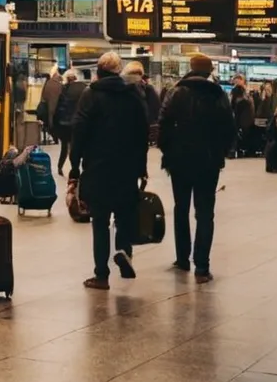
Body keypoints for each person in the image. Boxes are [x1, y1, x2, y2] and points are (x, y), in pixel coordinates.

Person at [68, 52, 149, 290]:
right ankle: (124, 251)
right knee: (124, 216)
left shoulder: (91, 95)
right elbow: (142, 133)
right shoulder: (133, 95)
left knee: (100, 221)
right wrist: (141, 167)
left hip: (98, 167)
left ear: (99, 72)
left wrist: (74, 164)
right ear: (119, 71)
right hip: (127, 167)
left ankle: (101, 275)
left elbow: (79, 130)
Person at [157, 54, 235, 283]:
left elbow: (162, 125)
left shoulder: (176, 92)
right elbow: (229, 128)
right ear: (209, 70)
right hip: (208, 162)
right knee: (204, 213)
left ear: (190, 69)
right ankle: (202, 267)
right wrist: (220, 153)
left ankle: (182, 259)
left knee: (181, 208)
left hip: (179, 161)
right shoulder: (217, 94)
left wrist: (168, 152)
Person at [53, 69, 87, 176]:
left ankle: (60, 167)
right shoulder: (84, 88)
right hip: (78, 122)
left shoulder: (64, 90)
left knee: (64, 147)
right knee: (76, 147)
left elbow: (59, 108)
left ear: (67, 79)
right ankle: (75, 168)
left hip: (65, 123)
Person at [123, 61, 161, 142]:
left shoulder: (121, 88)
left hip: (124, 130)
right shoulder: (148, 89)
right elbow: (156, 109)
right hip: (142, 130)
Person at [39, 66, 62, 141]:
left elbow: (43, 95)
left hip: (48, 107)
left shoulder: (48, 83)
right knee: (55, 122)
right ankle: (55, 136)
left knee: (49, 121)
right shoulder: (60, 85)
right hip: (57, 108)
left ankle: (52, 133)